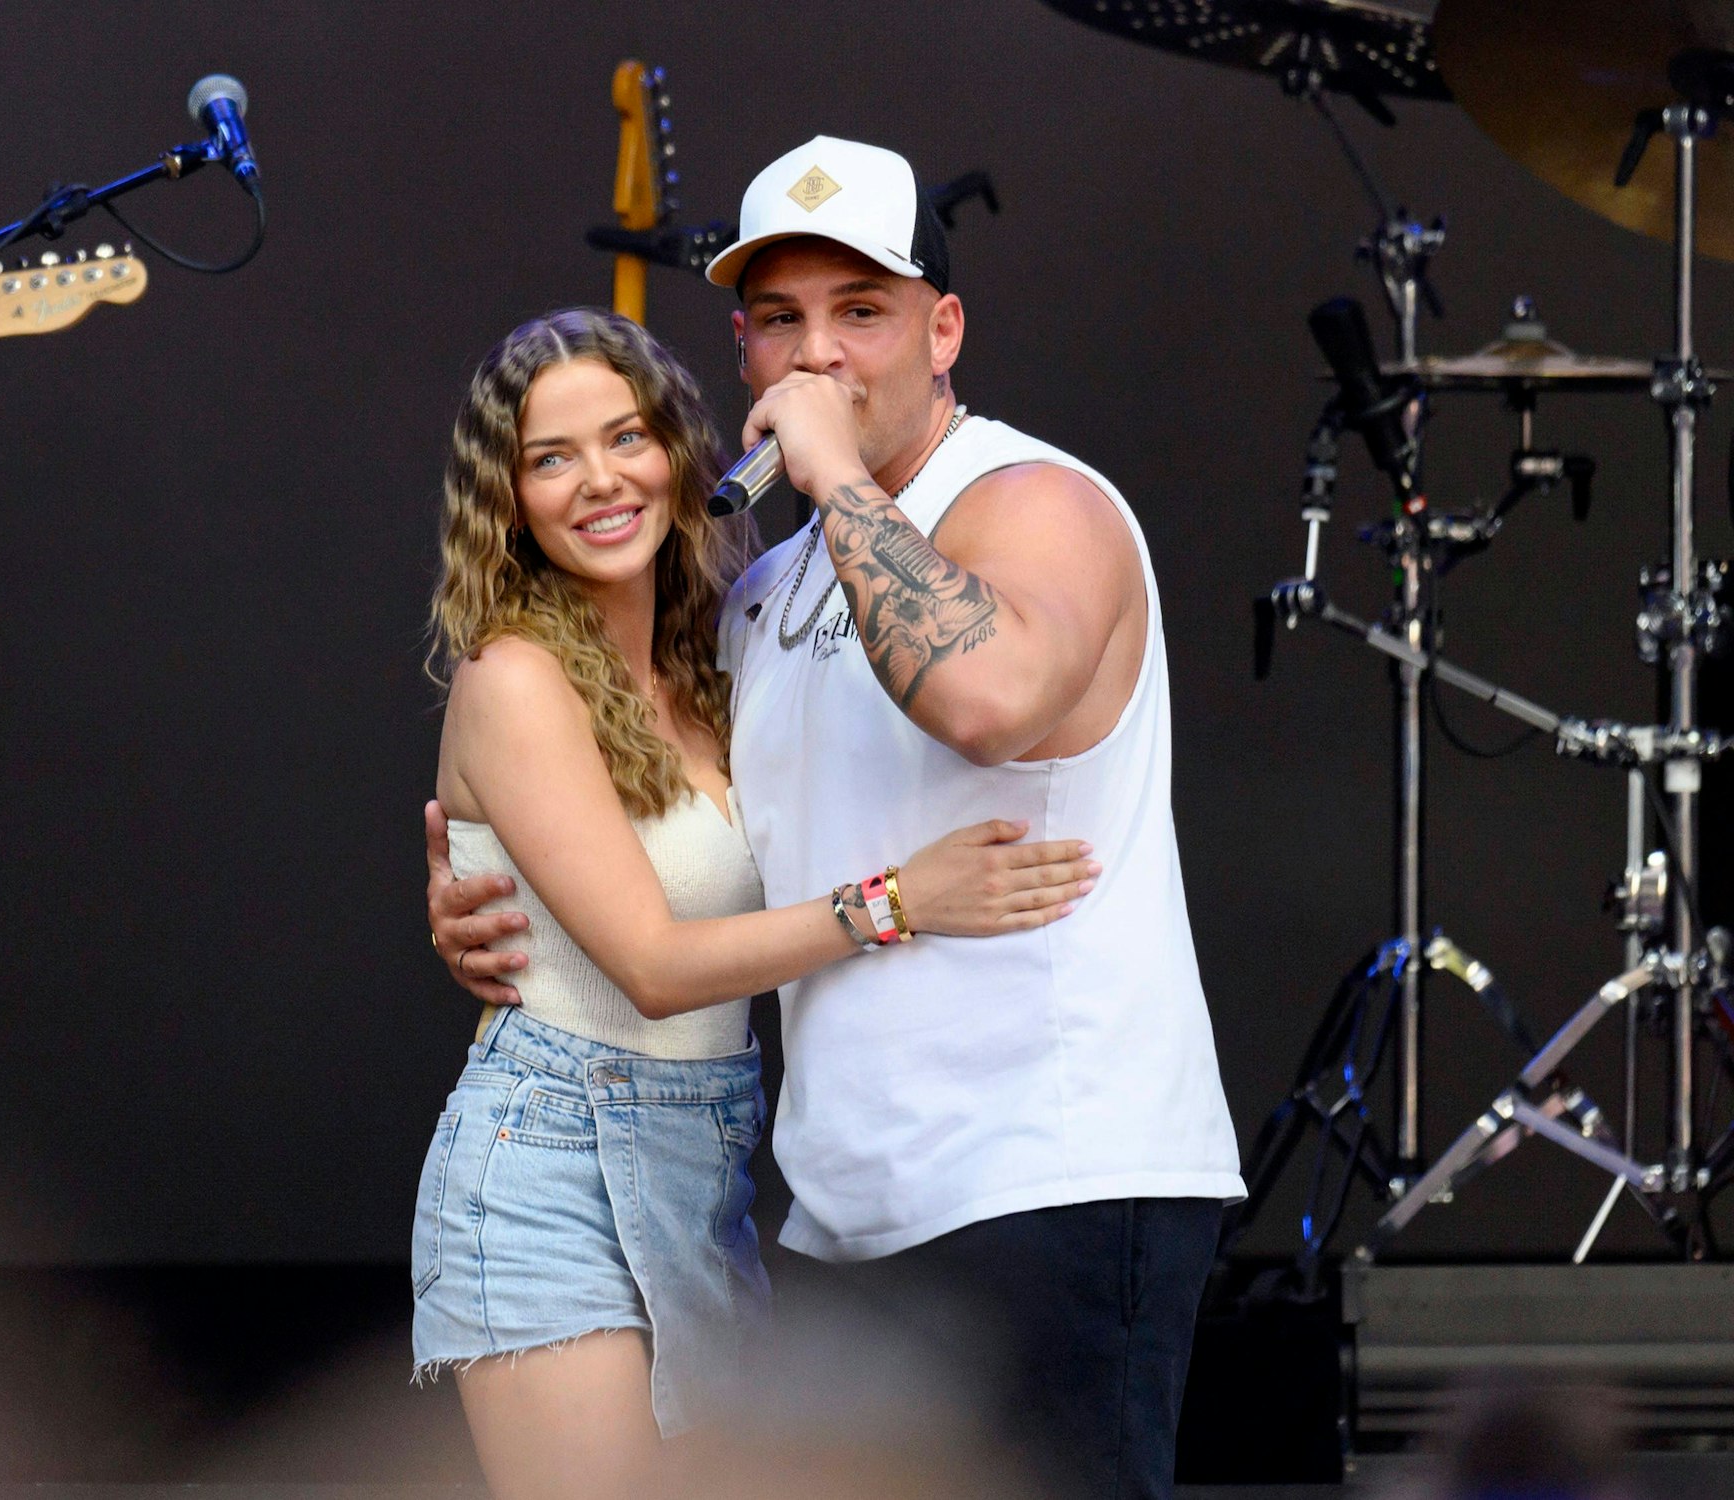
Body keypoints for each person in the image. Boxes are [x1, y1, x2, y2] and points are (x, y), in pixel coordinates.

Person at [427, 138, 1245, 1500]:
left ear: (944, 329)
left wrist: (844, 479)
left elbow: (984, 699)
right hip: (835, 1222)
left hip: (1044, 1180)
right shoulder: (763, 593)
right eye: (781, 322)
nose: (819, 358)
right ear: (741, 353)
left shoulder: (1038, 502)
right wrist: (475, 882)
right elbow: (672, 842)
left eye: (861, 314)